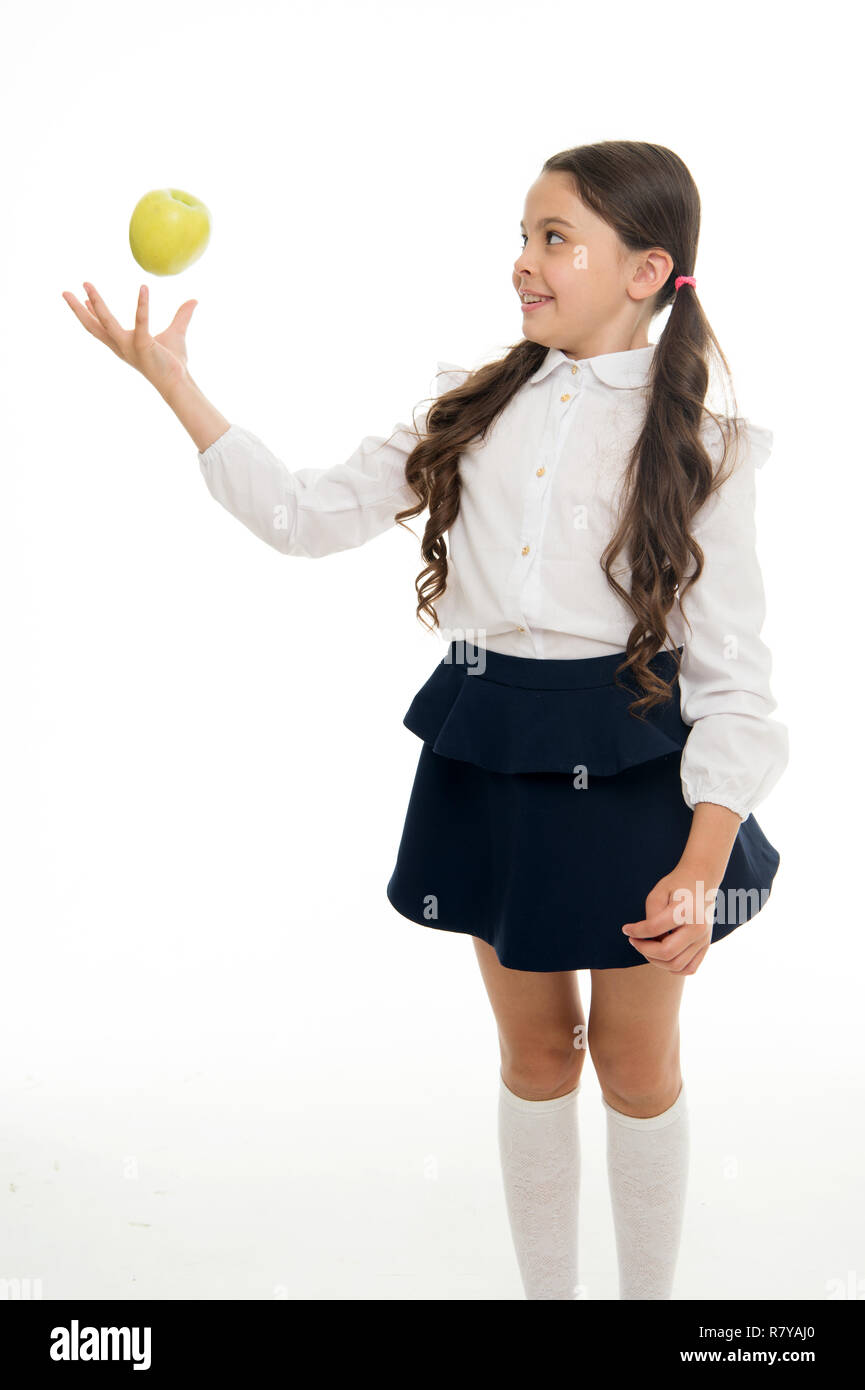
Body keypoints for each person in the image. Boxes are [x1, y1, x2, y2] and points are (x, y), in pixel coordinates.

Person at [62, 139, 789, 1301]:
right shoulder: (473, 406)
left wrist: (704, 861)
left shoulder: (701, 441)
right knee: (536, 1054)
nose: (523, 261)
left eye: (555, 239)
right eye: (521, 234)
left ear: (647, 270)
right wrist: (175, 384)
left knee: (637, 1065)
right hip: (497, 749)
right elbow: (301, 516)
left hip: (641, 769)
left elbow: (736, 679)